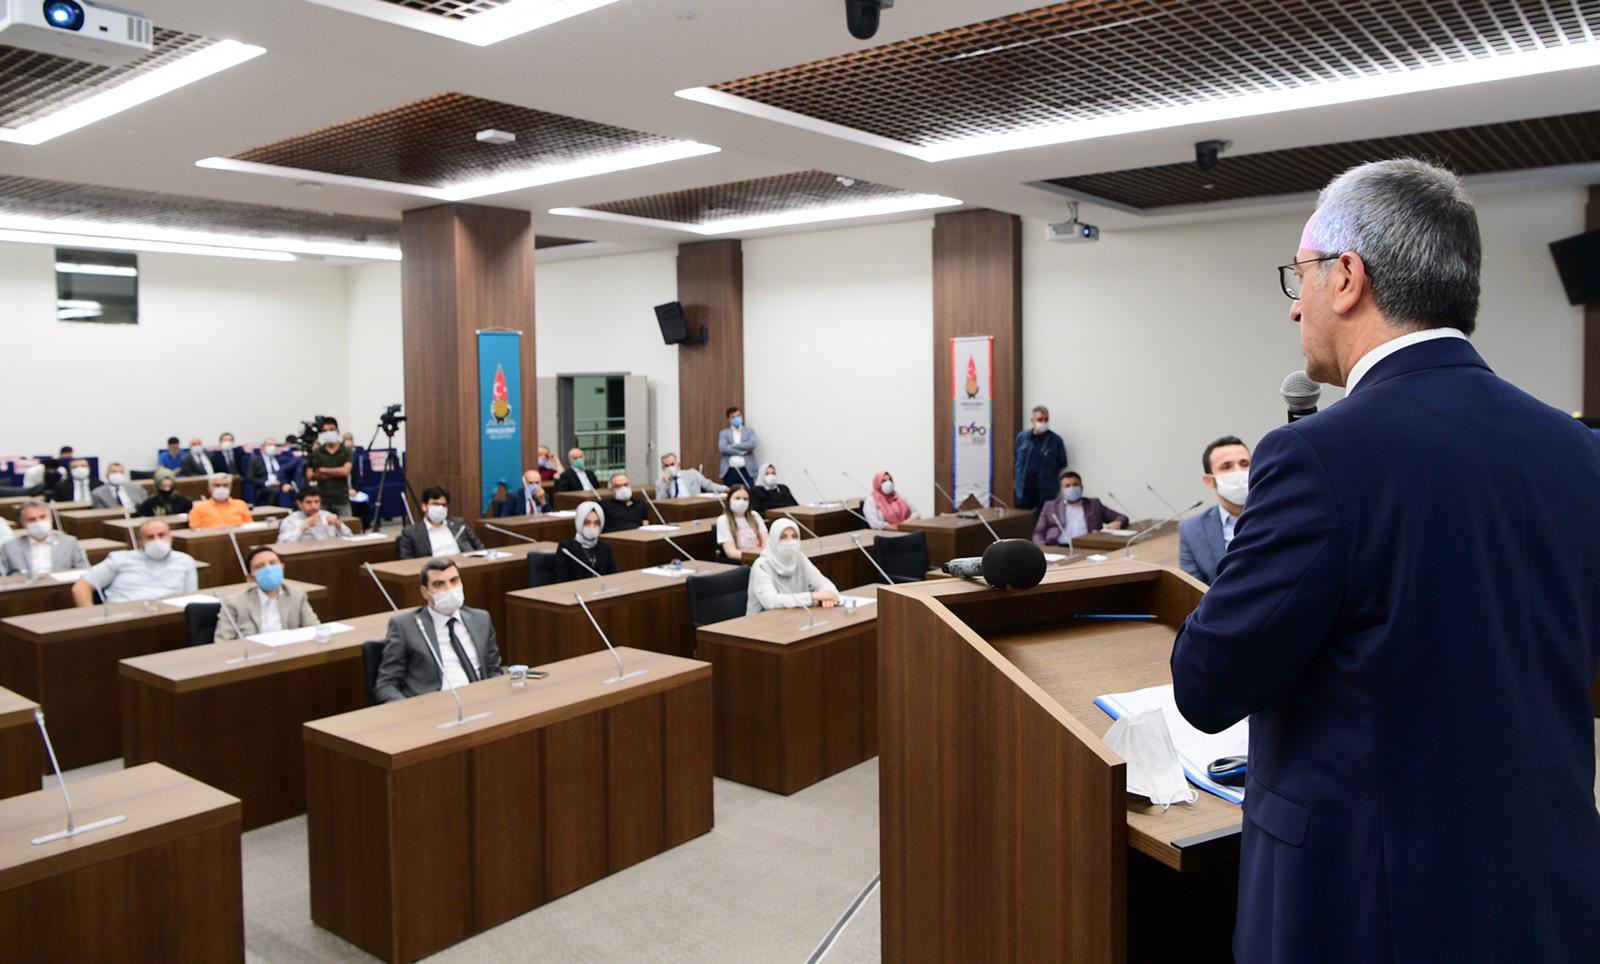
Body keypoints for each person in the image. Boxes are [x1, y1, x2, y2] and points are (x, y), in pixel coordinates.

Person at [1171, 158, 1600, 963]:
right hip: (1546, 893)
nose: (1294, 304)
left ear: (1347, 278)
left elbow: (1206, 684)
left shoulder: (1316, 457)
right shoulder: (1577, 450)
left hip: (1368, 907)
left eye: (1299, 275)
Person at [373, 558, 502, 702]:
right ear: (425, 592)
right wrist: (410, 709)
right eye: (439, 584)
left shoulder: (481, 618)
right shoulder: (404, 626)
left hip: (481, 700)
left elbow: (493, 670)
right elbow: (386, 685)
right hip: (433, 706)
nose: (449, 589)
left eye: (454, 581)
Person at [1177, 436, 1251, 585]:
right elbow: (1193, 589)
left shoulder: (1281, 514)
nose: (1238, 472)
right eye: (1226, 466)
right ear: (1209, 480)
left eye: (1244, 464)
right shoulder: (1191, 530)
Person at [72, 518, 197, 604]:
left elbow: (191, 599)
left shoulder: (185, 561)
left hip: (169, 619)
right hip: (124, 618)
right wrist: (91, 618)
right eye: (150, 537)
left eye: (161, 535)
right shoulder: (119, 559)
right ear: (140, 542)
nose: (157, 540)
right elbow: (81, 587)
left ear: (171, 537)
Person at [214, 546, 320, 641]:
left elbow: (314, 629)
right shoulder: (234, 603)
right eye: (260, 566)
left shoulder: (296, 595)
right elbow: (223, 642)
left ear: (282, 567)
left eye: (273, 563)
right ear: (250, 577)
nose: (268, 569)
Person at [746, 519, 838, 614]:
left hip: (797, 615)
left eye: (794, 536)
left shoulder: (799, 558)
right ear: (773, 540)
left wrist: (829, 596)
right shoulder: (762, 565)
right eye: (783, 537)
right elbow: (770, 602)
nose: (790, 541)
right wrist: (813, 596)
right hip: (763, 620)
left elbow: (823, 583)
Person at [1032, 470, 1129, 546]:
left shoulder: (1094, 504)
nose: (1072, 488)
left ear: (1081, 487)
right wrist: (1044, 547)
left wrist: (1118, 523)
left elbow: (1122, 517)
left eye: (1075, 485)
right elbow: (1038, 533)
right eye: (1067, 486)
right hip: (1057, 547)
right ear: (1061, 490)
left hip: (1086, 546)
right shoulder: (1050, 506)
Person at [0, 501, 89, 578]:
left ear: (51, 519)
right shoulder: (10, 547)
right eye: (32, 519)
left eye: (42, 517)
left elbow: (85, 573)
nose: (38, 522)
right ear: (23, 524)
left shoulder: (69, 543)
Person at [395, 486, 484, 559]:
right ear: (424, 506)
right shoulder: (411, 532)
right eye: (436, 504)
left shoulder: (459, 524)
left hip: (464, 568)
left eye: (444, 505)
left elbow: (480, 547)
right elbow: (407, 562)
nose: (440, 508)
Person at [1013, 405, 1068, 517]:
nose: (1043, 423)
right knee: (1023, 520)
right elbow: (1017, 458)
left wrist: (1048, 475)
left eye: (1046, 419)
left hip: (1046, 490)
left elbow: (1062, 464)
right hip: (1024, 489)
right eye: (1040, 420)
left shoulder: (1056, 440)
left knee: (1045, 521)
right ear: (1032, 421)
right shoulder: (1022, 437)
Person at [553, 501, 617, 583]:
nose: (592, 527)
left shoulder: (605, 548)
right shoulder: (567, 549)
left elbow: (614, 577)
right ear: (579, 522)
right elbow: (562, 580)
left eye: (596, 523)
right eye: (587, 522)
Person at [306, 418, 353, 517]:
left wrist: (323, 470)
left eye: (331, 429)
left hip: (341, 499)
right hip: (323, 499)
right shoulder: (317, 452)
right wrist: (336, 472)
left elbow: (345, 471)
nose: (328, 433)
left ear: (337, 430)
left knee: (347, 524)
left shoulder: (346, 451)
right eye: (325, 431)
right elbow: (310, 475)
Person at [715, 484, 768, 561]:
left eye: (745, 499)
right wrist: (754, 556)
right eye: (737, 498)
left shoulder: (755, 515)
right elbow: (731, 552)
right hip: (742, 561)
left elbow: (766, 543)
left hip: (762, 558)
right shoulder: (723, 520)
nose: (742, 502)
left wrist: (764, 555)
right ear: (729, 500)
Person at [277, 490, 352, 543]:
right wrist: (302, 528)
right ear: (299, 504)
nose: (313, 506)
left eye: (316, 502)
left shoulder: (327, 515)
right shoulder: (290, 520)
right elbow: (281, 544)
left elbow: (350, 537)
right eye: (308, 502)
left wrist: (338, 524)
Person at [187, 474, 253, 529]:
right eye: (217, 485)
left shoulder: (240, 504)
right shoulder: (198, 508)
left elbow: (249, 527)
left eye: (225, 485)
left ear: (230, 488)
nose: (221, 488)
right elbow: (195, 531)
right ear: (209, 489)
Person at [655, 452, 727, 500]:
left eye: (672, 464)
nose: (670, 468)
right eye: (667, 466)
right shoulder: (660, 483)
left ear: (678, 465)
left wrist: (726, 489)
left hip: (692, 505)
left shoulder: (692, 473)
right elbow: (659, 502)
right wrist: (666, 485)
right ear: (663, 468)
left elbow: (709, 485)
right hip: (675, 509)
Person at [718, 406, 758, 487]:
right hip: (730, 471)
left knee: (749, 492)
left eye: (738, 415)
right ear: (729, 419)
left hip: (747, 470)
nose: (737, 418)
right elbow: (723, 448)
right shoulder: (724, 433)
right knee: (730, 493)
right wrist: (741, 452)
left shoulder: (750, 431)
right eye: (733, 417)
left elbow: (752, 444)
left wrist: (734, 445)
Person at [247, 439, 293, 507]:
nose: (273, 447)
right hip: (264, 486)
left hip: (280, 484)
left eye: (275, 445)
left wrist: (284, 483)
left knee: (290, 490)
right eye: (270, 445)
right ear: (263, 447)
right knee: (275, 491)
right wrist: (268, 483)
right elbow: (251, 477)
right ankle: (271, 509)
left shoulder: (280, 459)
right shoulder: (255, 460)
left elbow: (285, 473)